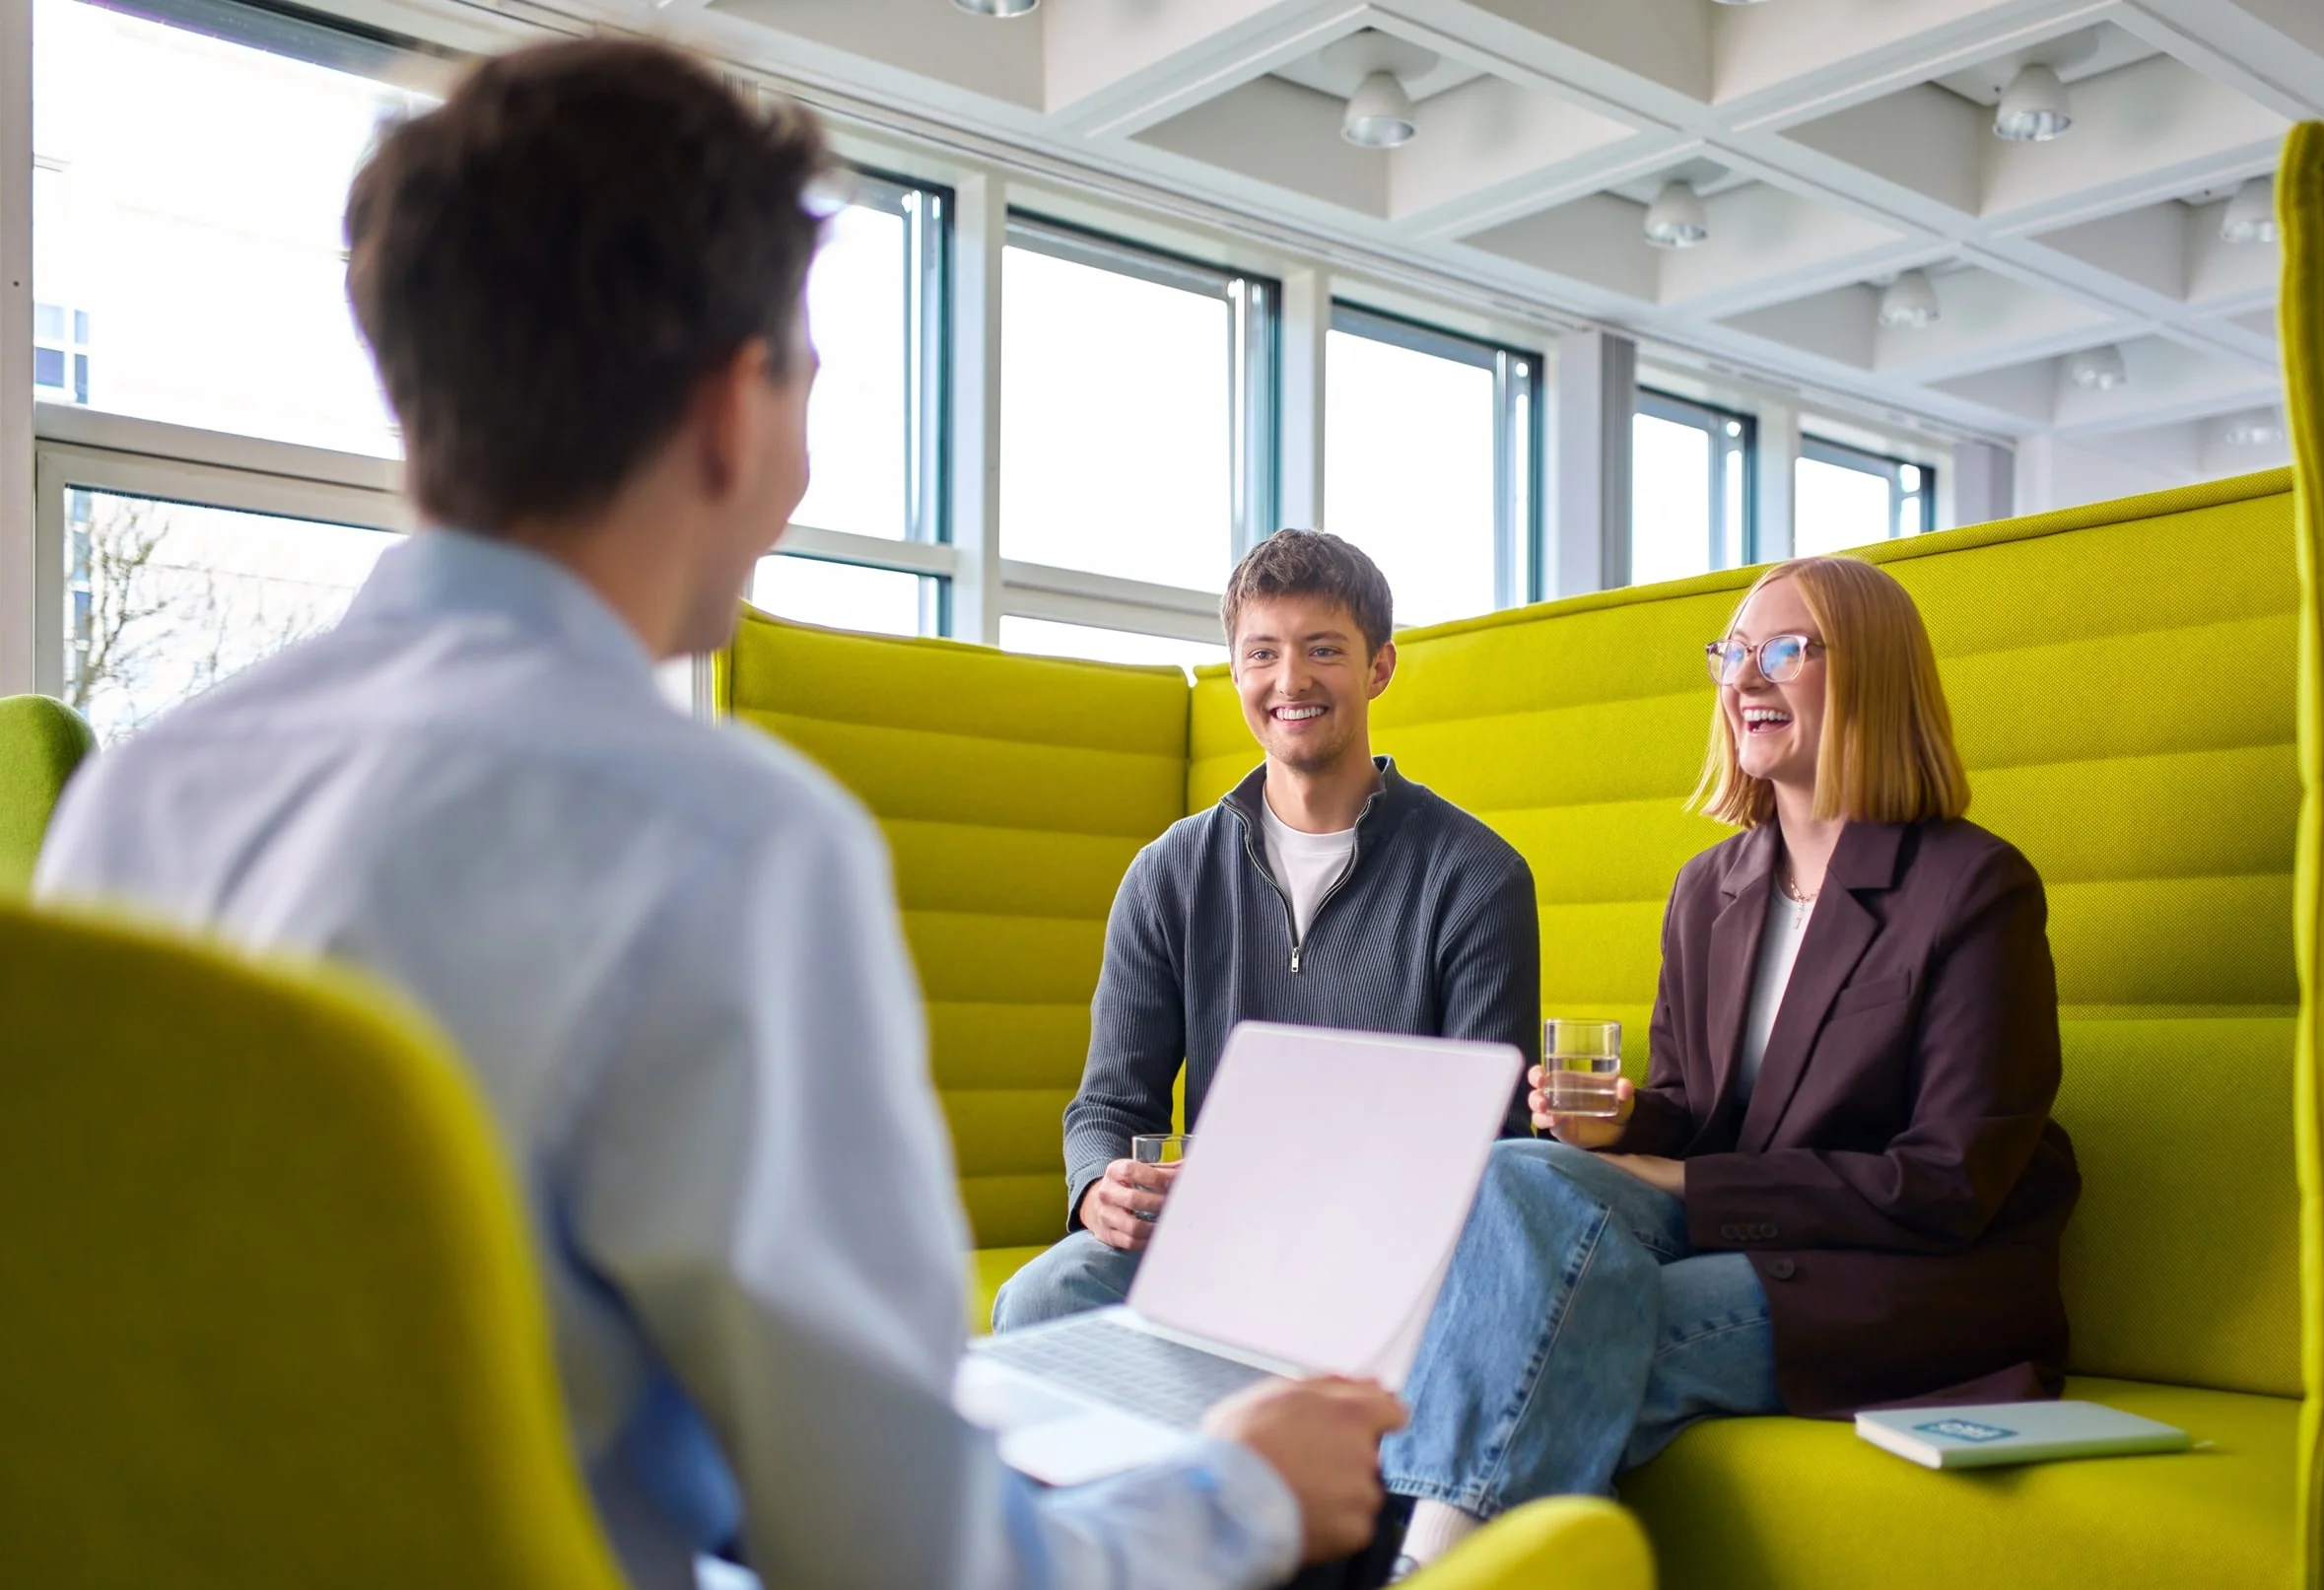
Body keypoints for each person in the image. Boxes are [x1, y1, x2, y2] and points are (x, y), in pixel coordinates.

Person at [35, 37, 1403, 1590]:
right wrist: (1240, 1498)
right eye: (809, 379)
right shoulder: (723, 845)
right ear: (733, 408)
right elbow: (911, 1570)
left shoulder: (134, 809)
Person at [1376, 555, 2083, 1572]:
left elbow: (1947, 1182)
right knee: (1512, 1171)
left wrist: (1676, 1175)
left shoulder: (1973, 888)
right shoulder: (1710, 885)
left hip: (1901, 1277)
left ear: (1874, 673)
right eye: (1733, 652)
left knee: (1555, 1325)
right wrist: (1628, 1125)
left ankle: (1422, 1566)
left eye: (1784, 650)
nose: (1745, 678)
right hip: (1734, 1228)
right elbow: (1694, 1107)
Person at [991, 530, 1541, 1332]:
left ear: (1378, 667)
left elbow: (1494, 1141)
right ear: (1237, 669)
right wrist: (1096, 1190)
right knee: (1043, 1297)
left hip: (1397, 1258)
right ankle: (1178, 1461)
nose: (1290, 680)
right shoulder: (1169, 872)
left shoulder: (1478, 876)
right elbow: (1109, 1103)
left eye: (1323, 649)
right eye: (1262, 654)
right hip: (1213, 1243)